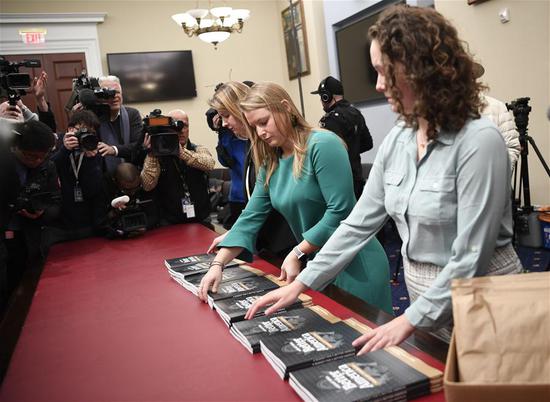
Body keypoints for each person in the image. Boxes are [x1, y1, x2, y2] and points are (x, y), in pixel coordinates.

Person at [245, 5, 523, 352]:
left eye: (385, 72)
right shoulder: (398, 139)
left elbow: (470, 257)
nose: (378, 85)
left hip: (484, 304)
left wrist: (406, 320)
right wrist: (302, 283)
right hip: (426, 307)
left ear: (424, 70)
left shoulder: (480, 140)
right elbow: (358, 224)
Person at [198, 82, 392, 314]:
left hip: (355, 264)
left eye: (264, 122)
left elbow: (341, 211)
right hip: (316, 264)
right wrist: (218, 264)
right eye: (254, 126)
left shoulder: (322, 145)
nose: (260, 132)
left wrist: (298, 251)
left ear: (285, 108)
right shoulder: (271, 160)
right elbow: (251, 215)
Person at [140, 109, 214, 224]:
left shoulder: (197, 149)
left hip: (201, 217)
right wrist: (151, 153)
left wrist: (181, 152)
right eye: (175, 126)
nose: (180, 130)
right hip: (170, 221)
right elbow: (147, 185)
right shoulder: (157, 155)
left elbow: (209, 164)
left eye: (184, 126)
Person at [311, 76, 373, 199]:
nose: (321, 101)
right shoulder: (356, 113)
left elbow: (324, 155)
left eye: (321, 97)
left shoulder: (329, 120)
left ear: (326, 97)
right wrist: (352, 150)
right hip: (357, 179)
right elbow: (368, 144)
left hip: (339, 184)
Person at [50, 110, 107, 237]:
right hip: (60, 214)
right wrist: (64, 150)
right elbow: (48, 169)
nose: (86, 135)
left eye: (91, 132)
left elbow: (94, 189)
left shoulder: (93, 146)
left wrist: (91, 160)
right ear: (70, 129)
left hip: (86, 214)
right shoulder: (57, 142)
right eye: (83, 131)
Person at [72, 75, 143, 174]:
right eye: (108, 93)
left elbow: (138, 145)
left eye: (117, 92)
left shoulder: (132, 114)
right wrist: (81, 117)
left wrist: (113, 150)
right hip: (98, 173)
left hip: (128, 173)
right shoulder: (90, 116)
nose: (114, 96)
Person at [207, 82, 250, 228]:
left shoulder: (261, 140)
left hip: (257, 199)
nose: (224, 122)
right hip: (237, 195)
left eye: (226, 115)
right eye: (221, 116)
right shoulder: (228, 133)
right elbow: (226, 161)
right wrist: (222, 133)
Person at [473, 62, 521, 169]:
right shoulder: (440, 107)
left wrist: (496, 176)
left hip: (490, 181)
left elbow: (511, 147)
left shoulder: (496, 106)